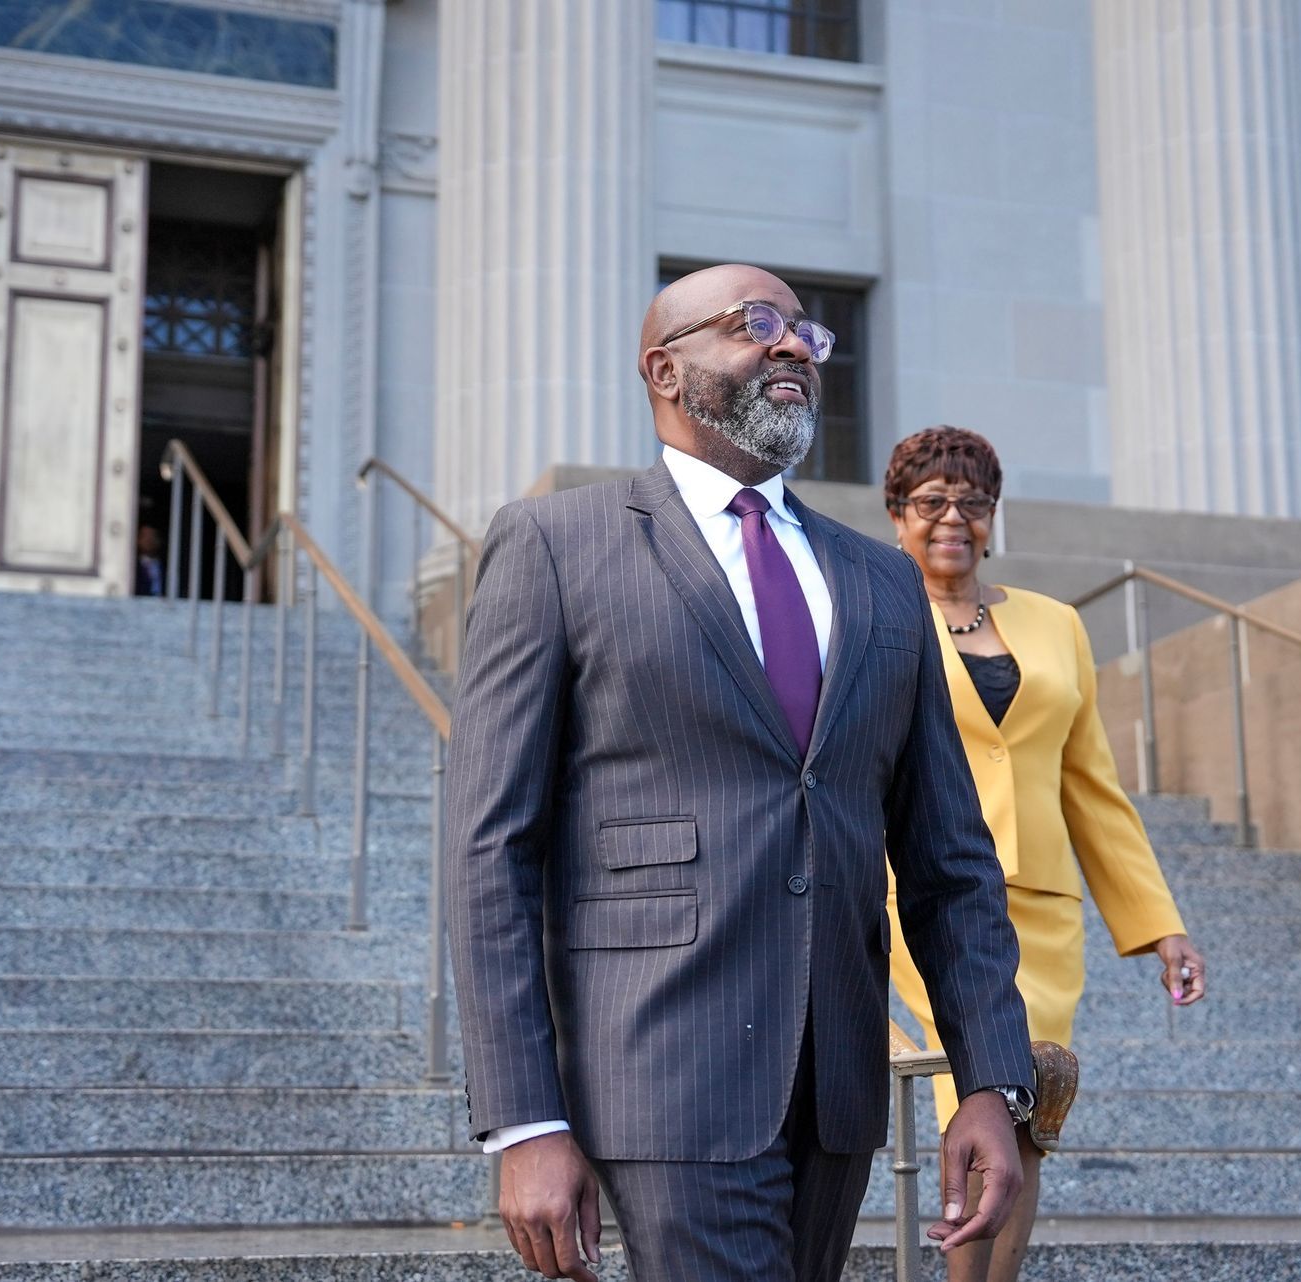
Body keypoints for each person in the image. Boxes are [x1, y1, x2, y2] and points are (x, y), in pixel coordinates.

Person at [445, 265, 1036, 1282]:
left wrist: (990, 1078)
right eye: (756, 324)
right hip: (661, 1067)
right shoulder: (555, 545)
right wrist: (523, 1118)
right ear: (664, 370)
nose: (794, 345)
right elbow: (490, 846)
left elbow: (949, 859)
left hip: (836, 1084)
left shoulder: (882, 578)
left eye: (808, 331)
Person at [882, 426, 1209, 1282]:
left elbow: (1092, 787)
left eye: (972, 503)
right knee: (978, 1091)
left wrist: (1158, 925)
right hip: (923, 900)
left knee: (1032, 1106)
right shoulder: (876, 613)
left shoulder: (1056, 625)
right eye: (930, 503)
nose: (953, 518)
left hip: (1041, 911)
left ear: (992, 517)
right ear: (896, 517)